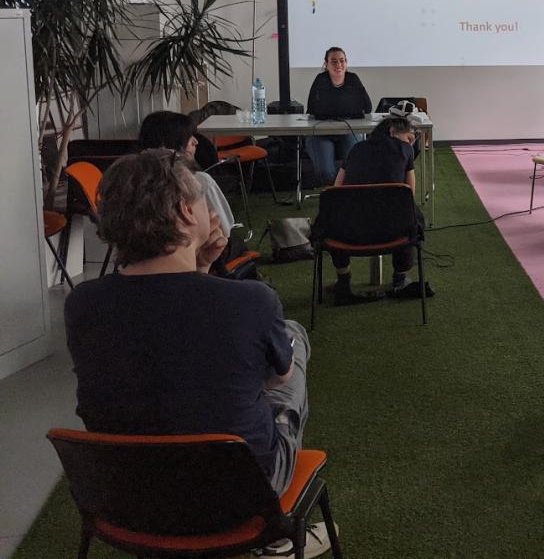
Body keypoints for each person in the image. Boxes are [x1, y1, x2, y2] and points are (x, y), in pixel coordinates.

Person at [63, 151, 313, 499]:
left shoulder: (82, 303)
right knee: (293, 339)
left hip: (131, 492)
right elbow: (275, 379)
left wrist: (201, 269)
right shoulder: (251, 300)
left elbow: (165, 334)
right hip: (241, 491)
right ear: (184, 211)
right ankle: (275, 535)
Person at [323, 115, 432, 305]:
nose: (411, 144)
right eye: (409, 138)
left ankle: (343, 281)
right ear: (392, 132)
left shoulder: (355, 149)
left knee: (335, 214)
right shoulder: (405, 151)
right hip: (392, 233)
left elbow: (336, 190)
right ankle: (399, 279)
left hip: (349, 234)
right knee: (411, 214)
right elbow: (408, 195)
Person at [137, 110, 243, 274]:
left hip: (143, 257)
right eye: (189, 138)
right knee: (237, 244)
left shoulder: (132, 181)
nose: (196, 142)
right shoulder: (198, 181)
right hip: (199, 254)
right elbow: (225, 228)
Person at [305, 46, 371, 186]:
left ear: (346, 62)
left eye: (342, 60)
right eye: (334, 61)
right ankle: (336, 193)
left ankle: (345, 194)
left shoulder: (353, 79)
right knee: (326, 172)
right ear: (326, 64)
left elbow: (368, 107)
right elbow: (311, 108)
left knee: (356, 166)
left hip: (348, 130)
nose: (339, 65)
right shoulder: (320, 80)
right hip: (321, 132)